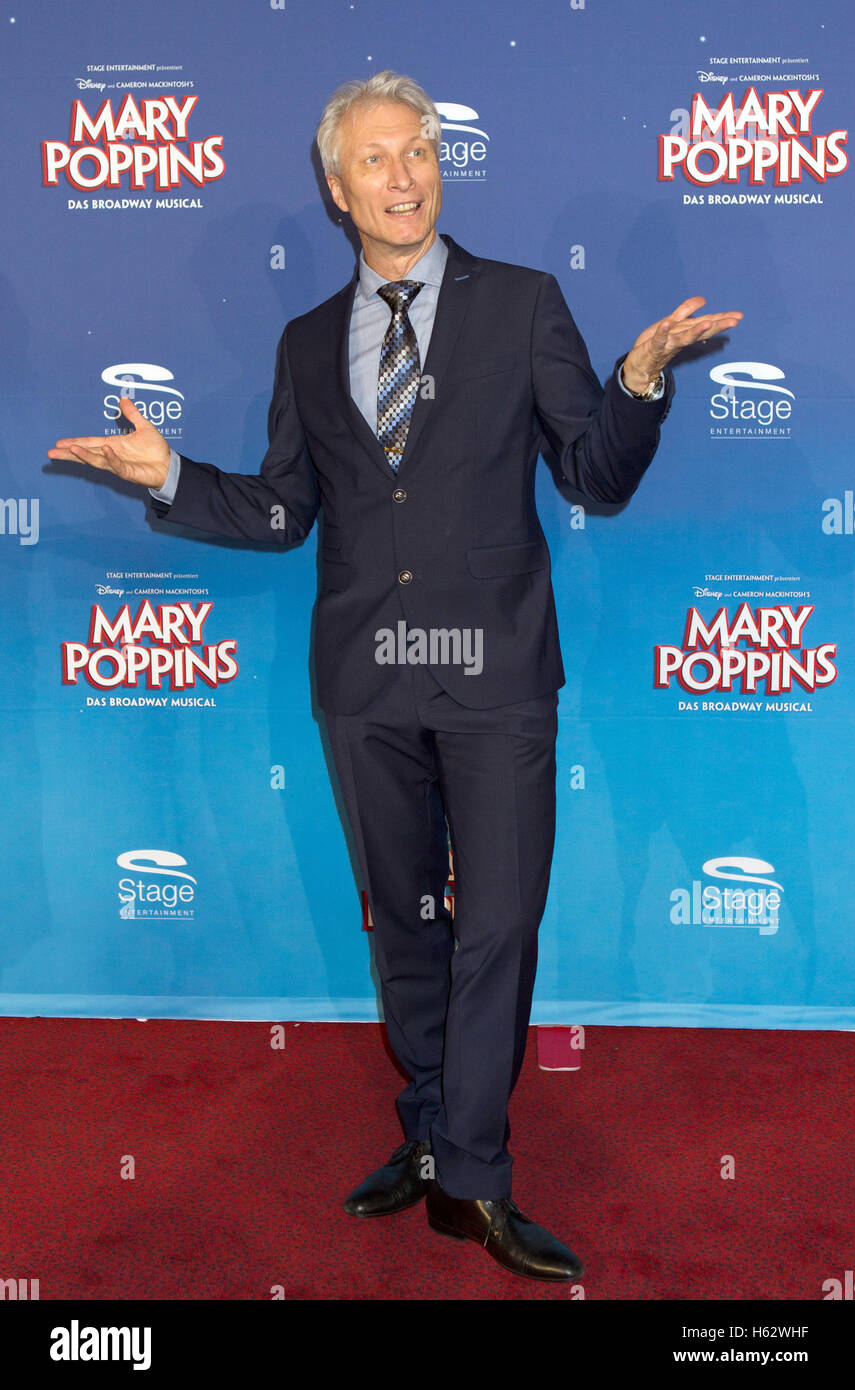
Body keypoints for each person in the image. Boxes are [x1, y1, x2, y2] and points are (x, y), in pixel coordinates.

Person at [49, 71, 741, 1283]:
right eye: (375, 159)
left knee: (500, 926)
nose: (405, 173)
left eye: (419, 149)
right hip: (364, 685)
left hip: (497, 678)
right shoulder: (308, 342)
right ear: (337, 190)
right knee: (409, 928)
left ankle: (476, 1169)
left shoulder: (524, 304)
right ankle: (427, 1132)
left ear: (440, 165)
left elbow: (595, 476)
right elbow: (279, 513)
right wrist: (169, 476)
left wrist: (636, 385)